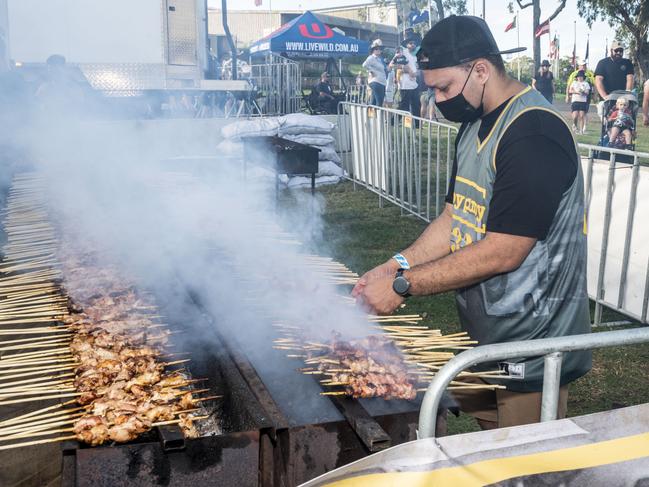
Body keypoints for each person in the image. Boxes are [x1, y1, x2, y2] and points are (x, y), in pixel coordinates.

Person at [352, 15, 591, 430]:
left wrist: (402, 286)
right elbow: (453, 217)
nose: (440, 99)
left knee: (522, 470)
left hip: (532, 350)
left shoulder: (533, 133)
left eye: (444, 87)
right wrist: (396, 264)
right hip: (483, 342)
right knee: (484, 454)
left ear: (480, 70)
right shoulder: (472, 126)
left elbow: (505, 250)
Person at [594, 41, 634, 118]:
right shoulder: (602, 63)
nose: (618, 53)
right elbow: (598, 80)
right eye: (616, 50)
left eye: (621, 51)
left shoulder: (627, 63)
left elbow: (630, 78)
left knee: (625, 118)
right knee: (605, 116)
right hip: (607, 96)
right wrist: (605, 96)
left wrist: (627, 94)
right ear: (611, 50)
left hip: (623, 97)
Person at [390, 38, 420, 117]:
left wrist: (416, 73)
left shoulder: (416, 55)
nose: (413, 44)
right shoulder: (402, 53)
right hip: (405, 85)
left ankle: (417, 124)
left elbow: (417, 68)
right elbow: (391, 65)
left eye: (414, 43)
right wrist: (404, 69)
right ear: (407, 45)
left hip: (414, 84)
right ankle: (393, 121)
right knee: (404, 107)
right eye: (411, 43)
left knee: (417, 105)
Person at [565, 60, 595, 127]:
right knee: (575, 112)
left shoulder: (590, 74)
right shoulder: (574, 74)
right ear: (579, 66)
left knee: (584, 112)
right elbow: (569, 85)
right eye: (582, 65)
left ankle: (583, 127)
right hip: (575, 97)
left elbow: (594, 85)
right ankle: (575, 124)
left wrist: (594, 96)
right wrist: (567, 95)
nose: (583, 66)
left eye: (584, 65)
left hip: (586, 96)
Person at [362, 39, 388, 107]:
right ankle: (377, 117)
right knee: (379, 103)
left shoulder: (380, 59)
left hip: (381, 82)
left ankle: (370, 116)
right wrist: (371, 71)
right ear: (373, 49)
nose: (379, 50)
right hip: (376, 82)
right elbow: (364, 65)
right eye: (377, 49)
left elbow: (384, 70)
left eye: (380, 49)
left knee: (373, 102)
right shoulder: (371, 57)